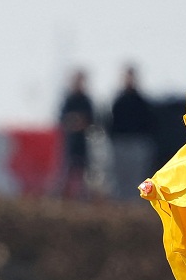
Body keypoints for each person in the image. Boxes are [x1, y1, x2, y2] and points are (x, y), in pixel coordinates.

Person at [107, 65, 156, 196]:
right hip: (121, 142)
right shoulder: (118, 101)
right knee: (120, 178)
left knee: (137, 178)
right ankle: (120, 207)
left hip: (137, 143)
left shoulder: (141, 101)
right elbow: (111, 121)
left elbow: (149, 122)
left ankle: (135, 206)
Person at [58, 69, 95, 199]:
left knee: (84, 175)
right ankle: (64, 199)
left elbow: (91, 120)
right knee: (65, 174)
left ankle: (83, 199)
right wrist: (73, 122)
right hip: (69, 143)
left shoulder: (86, 100)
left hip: (83, 143)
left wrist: (81, 122)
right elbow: (62, 120)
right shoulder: (68, 100)